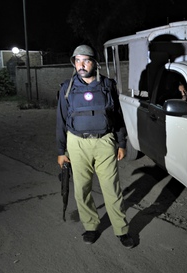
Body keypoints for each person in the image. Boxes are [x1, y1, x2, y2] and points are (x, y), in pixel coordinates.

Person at [56, 45, 134, 249]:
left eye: (86, 60)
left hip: (104, 142)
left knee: (112, 189)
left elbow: (117, 116)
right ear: (74, 63)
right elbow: (61, 120)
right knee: (82, 189)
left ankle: (121, 230)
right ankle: (91, 226)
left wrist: (122, 142)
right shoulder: (67, 87)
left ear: (94, 62)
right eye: (78, 60)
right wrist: (60, 151)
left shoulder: (107, 85)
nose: (81, 65)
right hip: (77, 143)